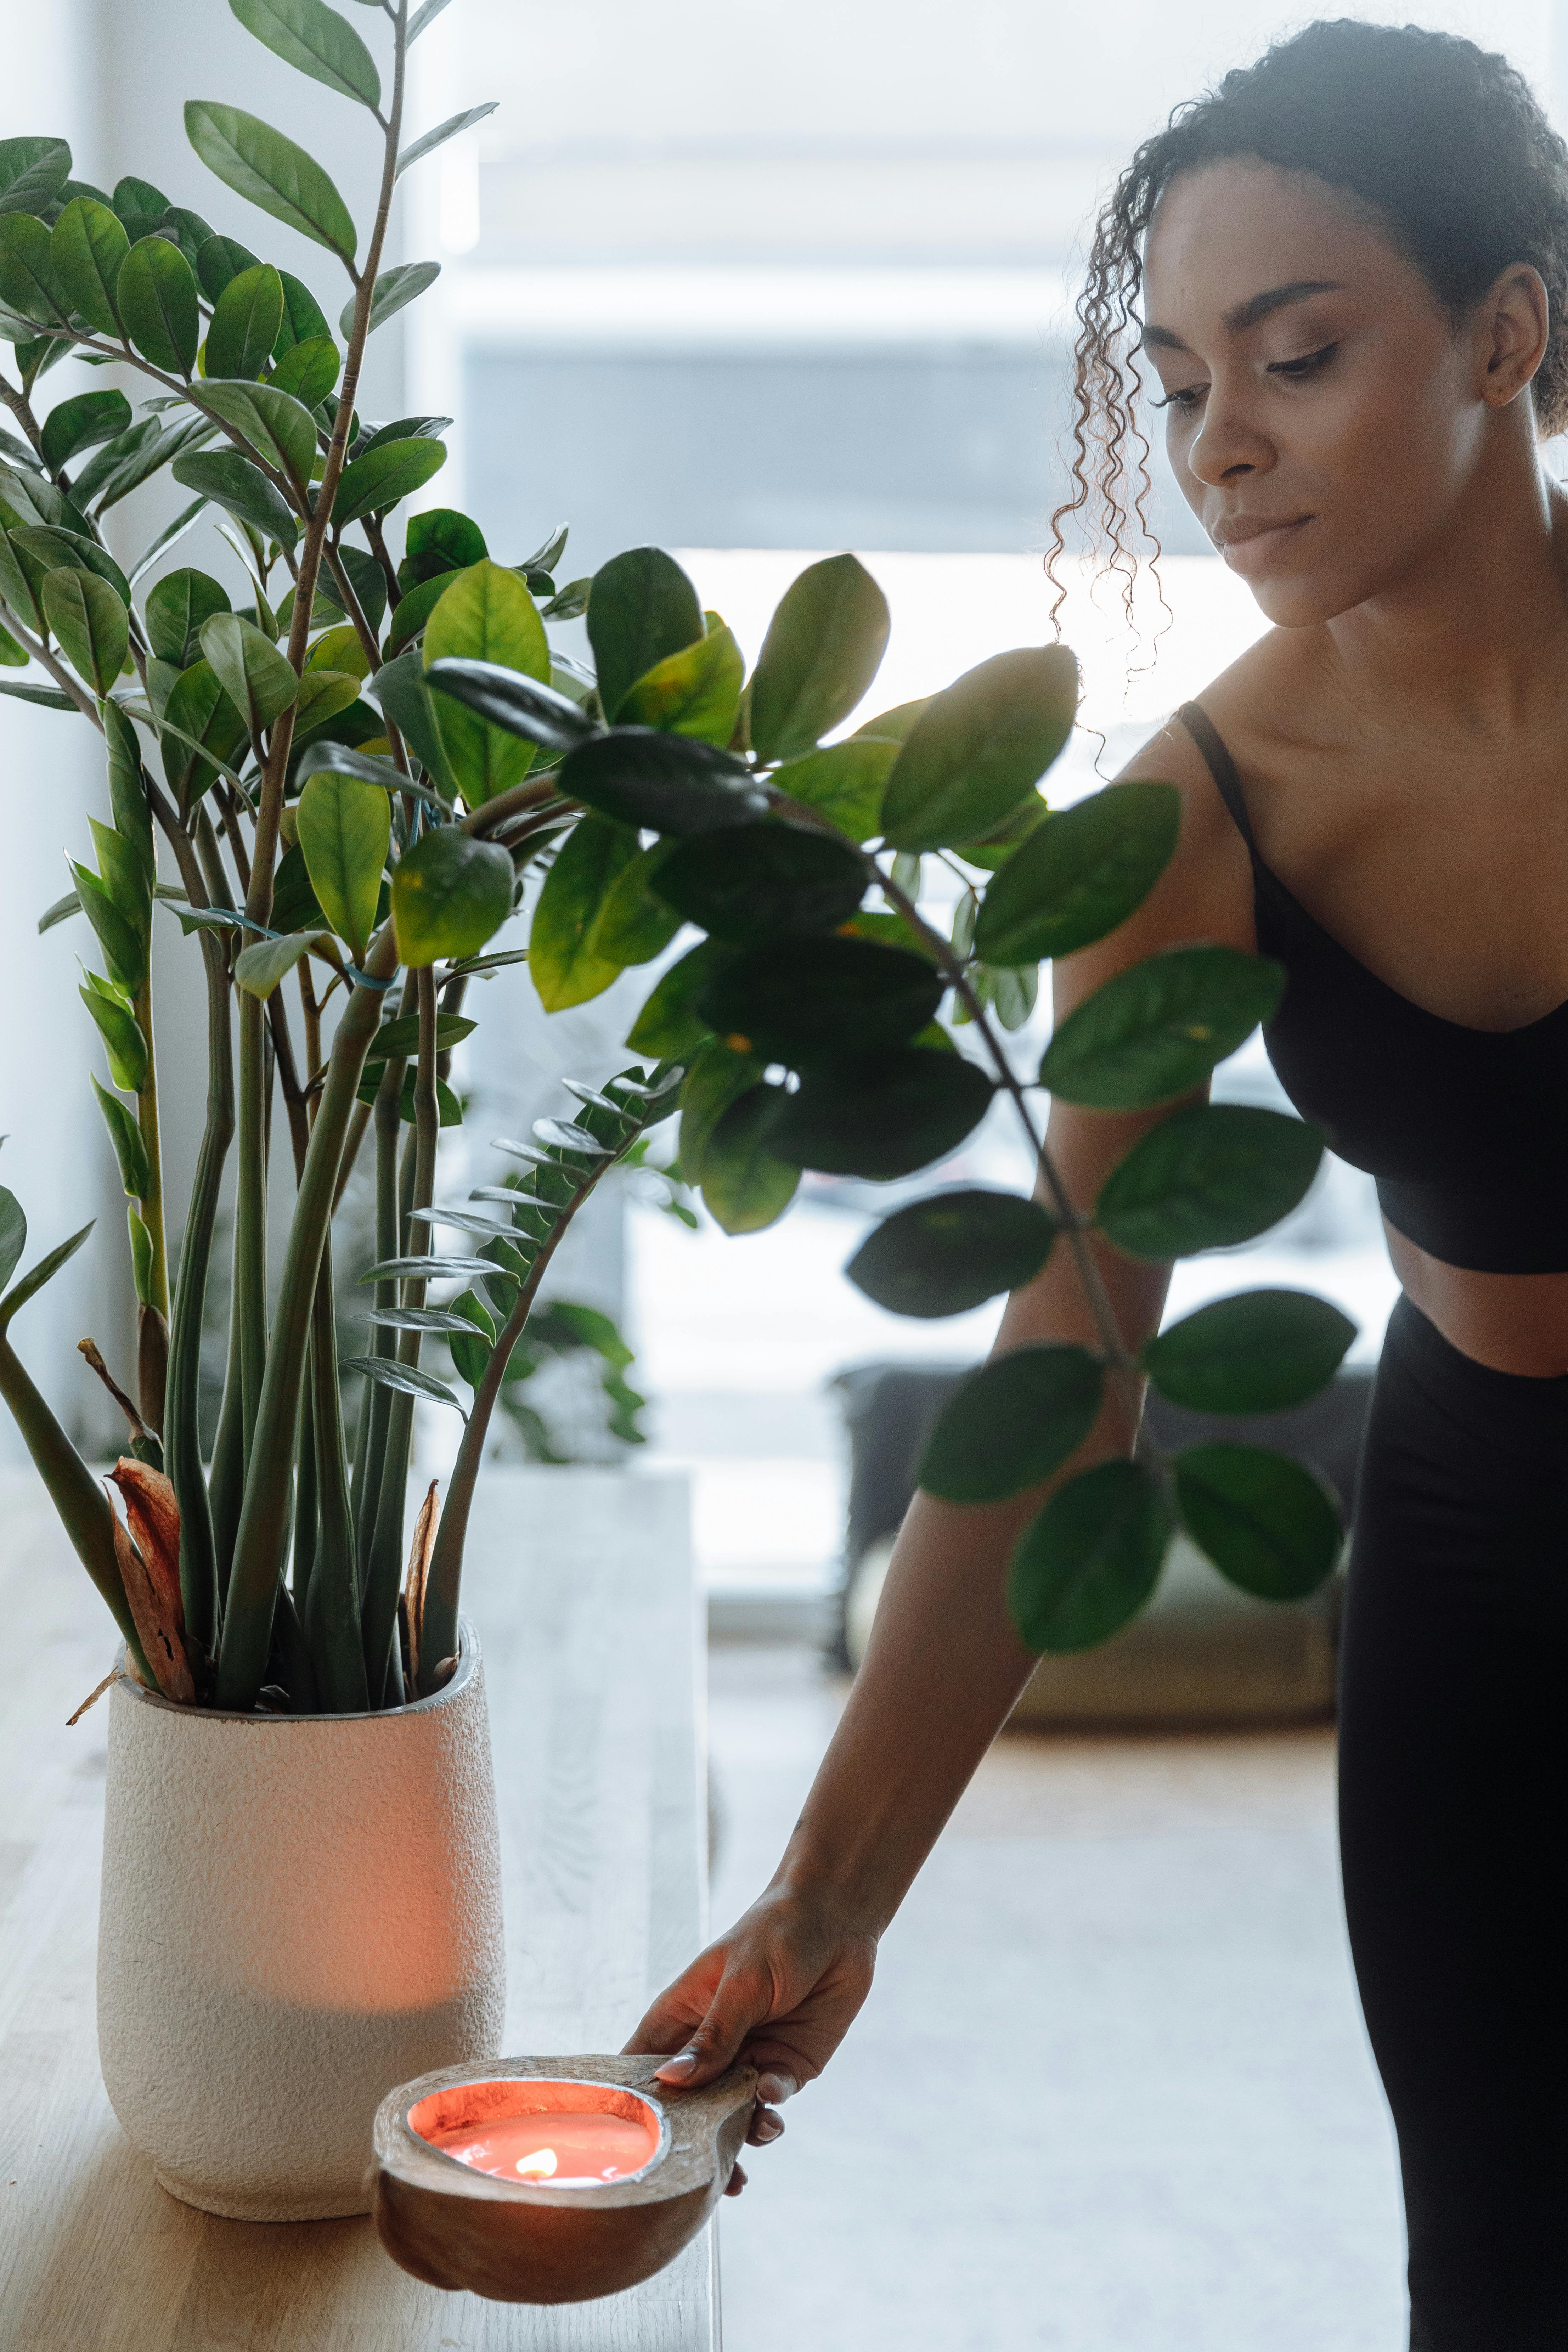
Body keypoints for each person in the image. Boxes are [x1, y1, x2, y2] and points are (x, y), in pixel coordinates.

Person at [628, 22, 1568, 2345]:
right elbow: (1067, 1374)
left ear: (1508, 333)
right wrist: (824, 1900)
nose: (1219, 445)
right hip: (1494, 1564)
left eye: (1299, 354)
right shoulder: (1188, 824)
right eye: (1173, 381)